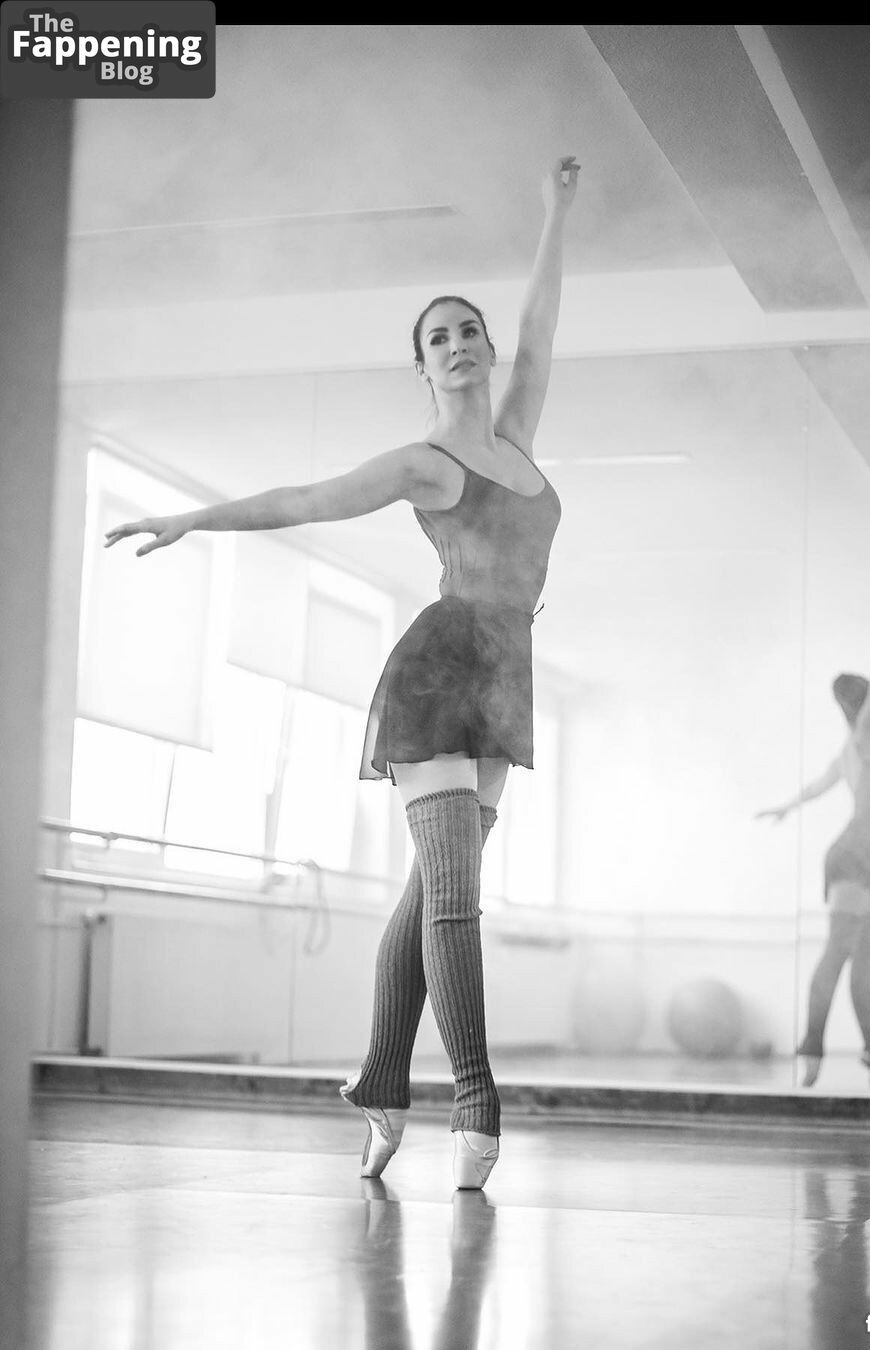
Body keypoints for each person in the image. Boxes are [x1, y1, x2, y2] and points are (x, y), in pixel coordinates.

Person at [105, 155, 581, 1187]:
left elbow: (544, 328)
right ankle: (476, 1102)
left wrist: (555, 211)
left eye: (469, 329)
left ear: (489, 348)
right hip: (439, 674)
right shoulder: (424, 465)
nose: (459, 344)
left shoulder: (518, 438)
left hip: (505, 681)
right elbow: (305, 498)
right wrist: (194, 517)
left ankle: (377, 1085)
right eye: (437, 338)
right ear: (423, 369)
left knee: (426, 895)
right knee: (455, 900)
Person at [757, 584, 870, 1090]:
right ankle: (813, 1049)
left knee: (863, 962)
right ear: (865, 705)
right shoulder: (864, 737)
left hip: (867, 856)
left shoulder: (850, 750)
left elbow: (818, 786)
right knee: (839, 954)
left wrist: (785, 807)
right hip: (856, 854)